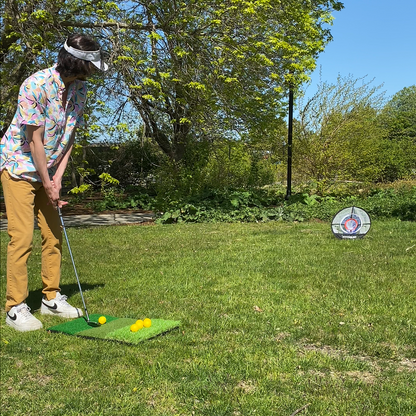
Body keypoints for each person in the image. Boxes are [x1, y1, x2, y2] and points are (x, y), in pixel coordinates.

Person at [0, 34, 108, 332]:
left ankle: (51, 299)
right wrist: (47, 182)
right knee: (21, 238)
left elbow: (69, 135)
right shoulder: (34, 85)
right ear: (77, 63)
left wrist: (57, 178)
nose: (94, 72)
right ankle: (15, 307)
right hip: (19, 168)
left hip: (48, 171)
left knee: (53, 235)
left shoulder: (81, 89)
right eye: (92, 66)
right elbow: (33, 140)